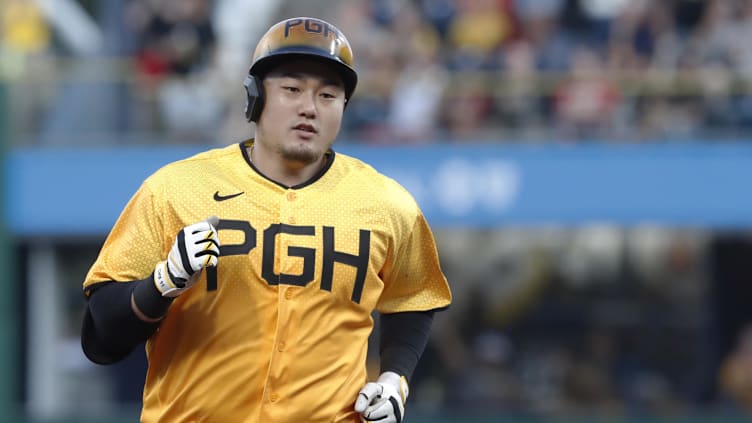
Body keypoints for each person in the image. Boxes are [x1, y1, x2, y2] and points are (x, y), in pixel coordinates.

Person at [80, 16, 452, 423]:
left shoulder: (386, 202)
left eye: (329, 96)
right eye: (292, 90)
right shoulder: (174, 189)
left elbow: (414, 299)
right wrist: (161, 284)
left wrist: (395, 378)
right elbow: (100, 340)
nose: (309, 108)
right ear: (254, 97)